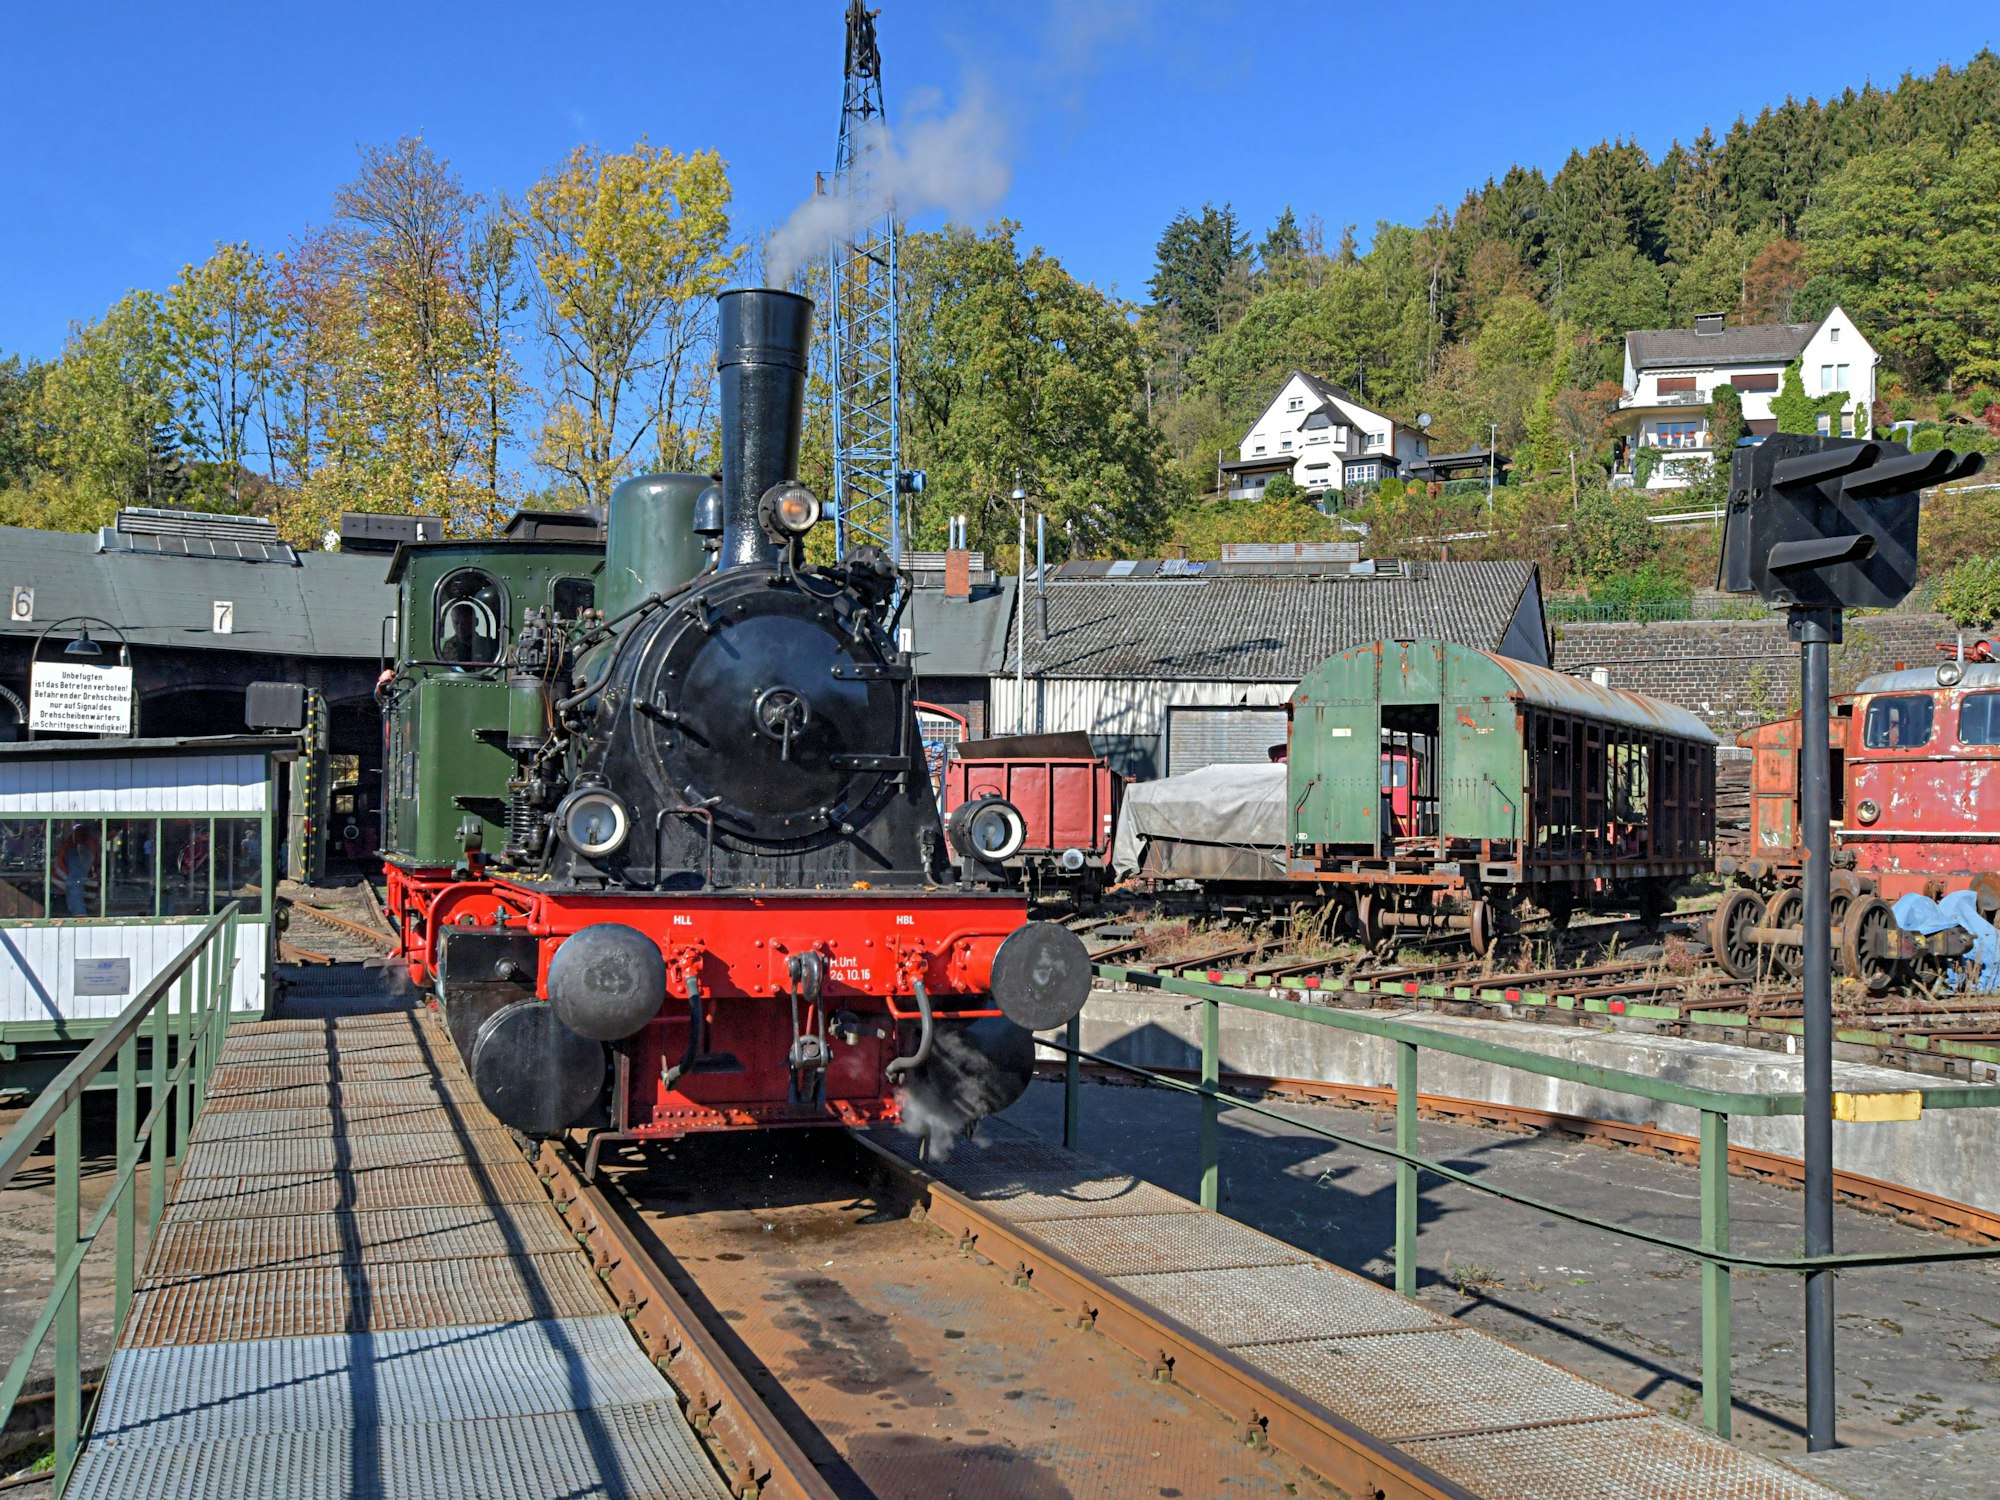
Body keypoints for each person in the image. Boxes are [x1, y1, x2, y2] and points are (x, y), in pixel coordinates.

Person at [55, 823, 99, 918]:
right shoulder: (81, 852)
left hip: (63, 894)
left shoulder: (75, 849)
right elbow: (75, 883)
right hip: (66, 896)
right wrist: (80, 915)